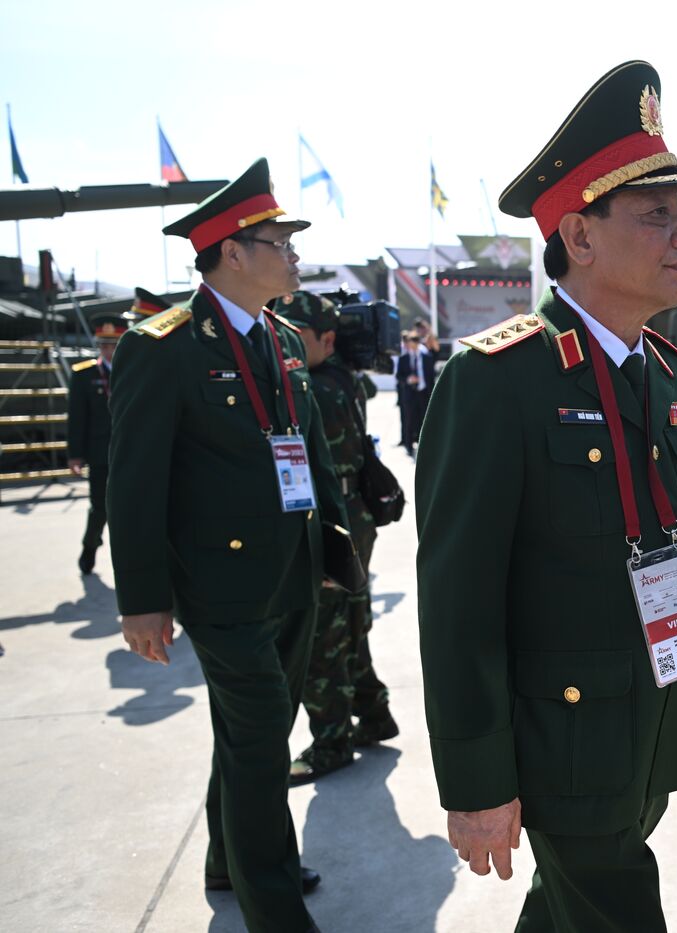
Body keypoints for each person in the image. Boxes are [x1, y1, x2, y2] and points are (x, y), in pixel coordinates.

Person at [416, 60, 677, 932]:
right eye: (657, 215)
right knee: (613, 903)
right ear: (578, 237)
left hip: (655, 717)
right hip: (561, 740)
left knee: (568, 909)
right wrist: (475, 783)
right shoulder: (499, 379)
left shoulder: (673, 377)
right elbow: (458, 599)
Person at [107, 158, 348, 933]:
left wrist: (338, 554)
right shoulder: (165, 345)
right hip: (220, 586)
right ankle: (271, 904)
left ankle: (226, 857)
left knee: (257, 734)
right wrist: (143, 599)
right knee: (259, 739)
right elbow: (134, 481)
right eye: (280, 239)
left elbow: (309, 454)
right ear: (233, 252)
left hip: (293, 577)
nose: (295, 253)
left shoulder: (280, 337)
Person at [278, 291, 397, 786]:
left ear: (327, 340)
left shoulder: (315, 388)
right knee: (350, 624)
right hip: (352, 516)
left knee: (322, 635)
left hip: (331, 518)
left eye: (296, 335)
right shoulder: (342, 380)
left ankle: (331, 742)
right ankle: (372, 714)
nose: (283, 342)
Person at [67, 314, 128, 574]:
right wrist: (75, 455)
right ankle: (90, 544)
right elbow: (77, 418)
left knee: (129, 509)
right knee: (100, 507)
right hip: (100, 453)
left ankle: (127, 559)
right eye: (104, 345)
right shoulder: (84, 375)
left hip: (130, 452)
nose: (109, 351)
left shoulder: (133, 371)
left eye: (113, 345)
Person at [395, 332, 433, 454]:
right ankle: (408, 445)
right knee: (409, 420)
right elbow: (399, 376)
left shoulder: (426, 357)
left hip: (423, 393)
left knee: (424, 420)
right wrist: (408, 379)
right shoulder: (404, 358)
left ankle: (424, 445)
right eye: (412, 341)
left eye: (416, 341)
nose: (414, 344)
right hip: (409, 393)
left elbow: (431, 377)